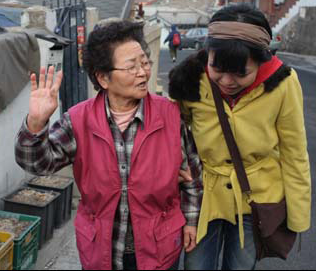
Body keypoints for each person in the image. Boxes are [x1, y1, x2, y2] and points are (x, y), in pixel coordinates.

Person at [15, 20, 202, 270]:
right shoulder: (79, 120)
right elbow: (37, 163)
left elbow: (192, 174)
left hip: (159, 247)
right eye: (131, 66)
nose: (143, 72)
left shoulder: (170, 114)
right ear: (103, 78)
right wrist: (36, 124)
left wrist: (191, 220)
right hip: (101, 249)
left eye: (144, 62)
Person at [169, 3, 311, 270]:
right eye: (218, 69)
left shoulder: (283, 82)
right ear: (207, 54)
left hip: (255, 196)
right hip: (203, 194)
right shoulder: (189, 78)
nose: (226, 81)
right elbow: (173, 131)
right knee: (196, 266)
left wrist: (297, 214)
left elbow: (294, 152)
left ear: (261, 58)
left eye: (240, 72)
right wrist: (174, 163)